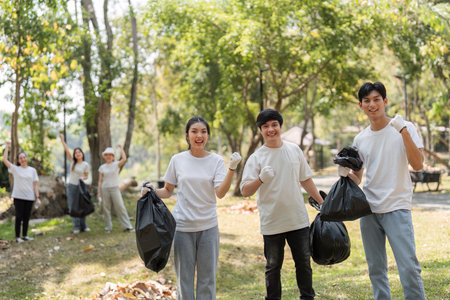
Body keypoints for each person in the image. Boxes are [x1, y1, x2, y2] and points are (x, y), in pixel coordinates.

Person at [142, 116, 241, 300]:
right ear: (187, 135)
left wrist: (231, 170)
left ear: (208, 136)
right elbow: (168, 190)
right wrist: (151, 191)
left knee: (207, 281)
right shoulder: (177, 160)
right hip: (183, 228)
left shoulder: (217, 161)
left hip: (208, 228)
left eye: (203, 131)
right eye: (194, 131)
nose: (199, 135)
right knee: (184, 280)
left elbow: (220, 192)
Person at [344, 81, 426, 300]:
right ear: (361, 106)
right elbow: (358, 177)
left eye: (376, 99)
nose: (372, 105)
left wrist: (403, 131)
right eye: (367, 101)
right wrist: (346, 172)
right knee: (376, 270)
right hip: (369, 210)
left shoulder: (404, 127)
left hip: (397, 207)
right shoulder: (360, 139)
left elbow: (418, 165)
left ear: (385, 101)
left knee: (408, 267)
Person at [240, 108, 324, 300]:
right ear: (260, 130)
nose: (271, 129)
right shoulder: (257, 158)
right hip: (272, 222)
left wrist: (322, 203)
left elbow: (306, 180)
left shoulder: (294, 150)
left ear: (280, 126)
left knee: (303, 262)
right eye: (266, 126)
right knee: (273, 266)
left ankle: (307, 297)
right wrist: (260, 179)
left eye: (274, 125)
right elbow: (245, 190)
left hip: (297, 219)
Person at [3, 141, 39, 243]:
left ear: (26, 159)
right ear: (18, 161)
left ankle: (25, 235)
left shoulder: (32, 170)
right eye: (20, 158)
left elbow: (35, 185)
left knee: (26, 217)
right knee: (19, 217)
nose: (23, 159)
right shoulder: (15, 169)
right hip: (18, 197)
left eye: (24, 157)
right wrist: (7, 147)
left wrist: (38, 197)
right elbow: (5, 160)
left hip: (29, 197)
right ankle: (18, 237)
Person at [97, 145, 134, 233]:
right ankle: (108, 227)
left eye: (110, 155)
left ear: (113, 156)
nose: (108, 156)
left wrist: (121, 149)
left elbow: (124, 159)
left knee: (120, 207)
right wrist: (99, 192)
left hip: (115, 188)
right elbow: (100, 181)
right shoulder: (102, 167)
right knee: (106, 208)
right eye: (106, 155)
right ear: (104, 156)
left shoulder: (116, 164)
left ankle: (127, 226)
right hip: (104, 189)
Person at [60, 133, 90, 234]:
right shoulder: (73, 163)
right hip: (72, 187)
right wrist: (62, 140)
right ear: (74, 155)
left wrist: (83, 177)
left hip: (81, 187)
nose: (78, 154)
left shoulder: (85, 164)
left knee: (82, 206)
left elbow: (87, 176)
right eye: (76, 153)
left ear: (82, 154)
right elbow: (67, 150)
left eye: (79, 152)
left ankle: (83, 226)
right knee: (73, 207)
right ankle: (76, 226)